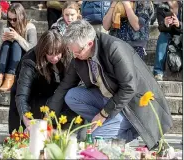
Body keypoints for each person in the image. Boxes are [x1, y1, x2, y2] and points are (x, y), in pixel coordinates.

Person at [47, 20, 173, 150]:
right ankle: (108, 125)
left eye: (77, 52)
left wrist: (103, 114)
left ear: (89, 44)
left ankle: (134, 129)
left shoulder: (114, 48)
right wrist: (49, 118)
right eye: (72, 52)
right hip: (107, 98)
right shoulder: (79, 56)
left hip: (131, 105)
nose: (75, 56)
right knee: (72, 96)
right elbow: (64, 86)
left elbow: (129, 88)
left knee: (96, 139)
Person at [8, 29, 74, 133]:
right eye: (50, 54)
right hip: (31, 93)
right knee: (19, 133)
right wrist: (27, 121)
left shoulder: (67, 54)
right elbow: (22, 95)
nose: (55, 58)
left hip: (51, 90)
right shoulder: (30, 61)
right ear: (43, 51)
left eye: (58, 54)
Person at [0, 3, 37, 91]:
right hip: (9, 60)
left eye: (15, 19)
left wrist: (18, 37)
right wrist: (4, 40)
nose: (12, 22)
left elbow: (33, 50)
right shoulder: (10, 27)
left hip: (24, 60)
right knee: (6, 44)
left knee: (16, 44)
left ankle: (10, 77)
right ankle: (0, 75)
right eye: (9, 19)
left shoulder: (30, 27)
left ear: (21, 17)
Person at [153, 1, 182, 81]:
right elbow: (160, 28)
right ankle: (158, 72)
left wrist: (179, 24)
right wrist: (165, 24)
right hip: (168, 34)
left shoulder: (182, 5)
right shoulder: (160, 7)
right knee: (163, 37)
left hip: (181, 34)